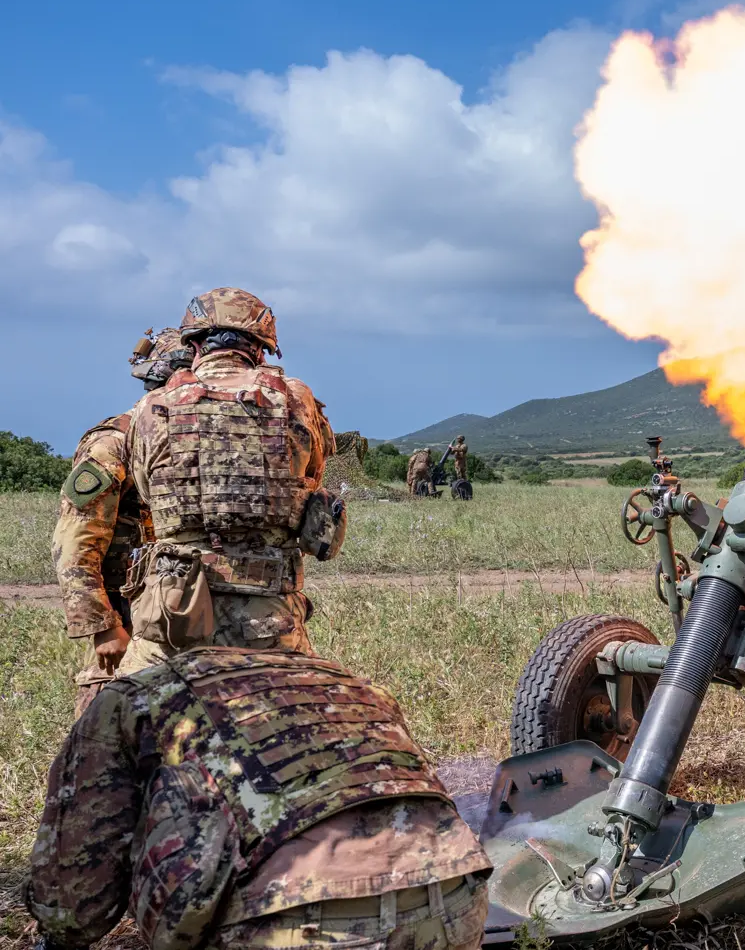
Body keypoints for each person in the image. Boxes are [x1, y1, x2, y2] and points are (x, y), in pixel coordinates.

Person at [27, 646, 491, 950]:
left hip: (295, 922)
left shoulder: (134, 697)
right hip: (457, 897)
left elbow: (74, 894)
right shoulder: (344, 680)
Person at [117, 287, 340, 675]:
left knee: (133, 704)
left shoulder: (153, 405)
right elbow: (312, 477)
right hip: (268, 610)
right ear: (261, 349)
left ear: (194, 346)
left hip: (174, 607)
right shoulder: (296, 398)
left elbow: (147, 489)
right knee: (286, 706)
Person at [52, 328, 194, 714]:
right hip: (123, 613)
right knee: (106, 722)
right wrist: (103, 626)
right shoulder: (116, 442)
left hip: (170, 611)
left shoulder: (183, 441)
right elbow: (75, 540)